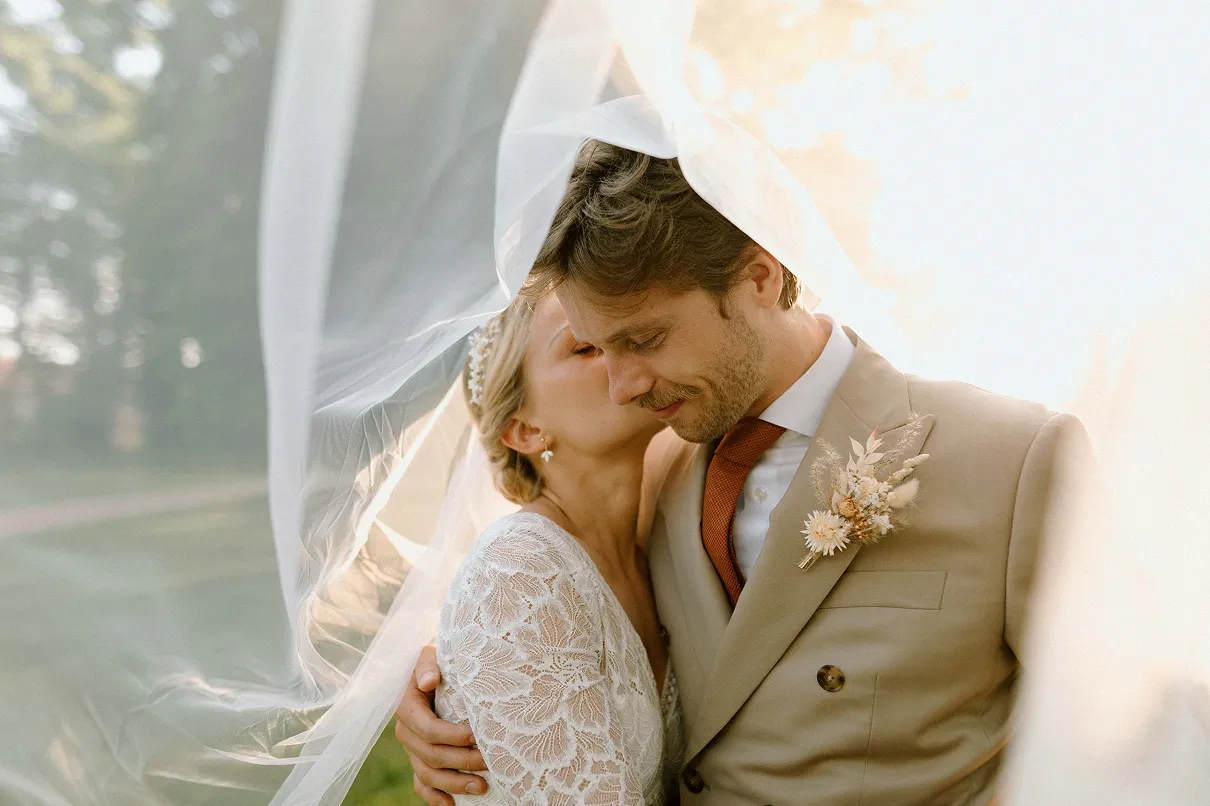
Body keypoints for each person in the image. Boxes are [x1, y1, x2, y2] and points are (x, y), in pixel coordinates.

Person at [397, 141, 1092, 805]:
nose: (623, 385)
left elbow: (1128, 737)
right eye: (597, 348)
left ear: (760, 276)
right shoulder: (657, 470)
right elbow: (546, 611)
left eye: (644, 339)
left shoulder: (1012, 461)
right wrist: (451, 683)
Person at [424, 289, 684, 804]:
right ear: (523, 430)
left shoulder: (659, 544)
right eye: (585, 347)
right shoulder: (516, 575)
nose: (623, 353)